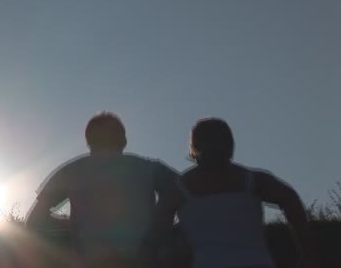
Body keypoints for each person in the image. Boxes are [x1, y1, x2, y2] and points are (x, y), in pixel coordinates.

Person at [142, 117, 319, 268]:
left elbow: (155, 236)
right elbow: (291, 200)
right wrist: (307, 253)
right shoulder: (253, 179)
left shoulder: (178, 190)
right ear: (230, 144)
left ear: (194, 147)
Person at [25, 111, 179, 266]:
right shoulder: (150, 169)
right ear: (123, 140)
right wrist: (167, 233)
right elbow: (193, 198)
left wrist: (71, 231)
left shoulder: (70, 172)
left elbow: (34, 220)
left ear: (88, 141)